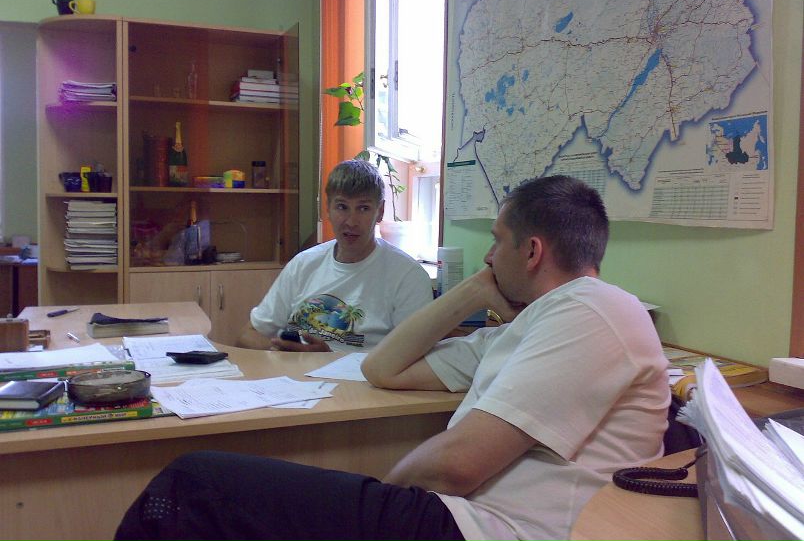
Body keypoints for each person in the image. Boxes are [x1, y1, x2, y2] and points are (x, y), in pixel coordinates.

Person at [115, 175, 670, 541]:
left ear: (531, 251)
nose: (487, 254)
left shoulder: (595, 307)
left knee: (194, 482)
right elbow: (382, 368)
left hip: (492, 529)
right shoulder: (525, 328)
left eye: (496, 241)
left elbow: (459, 463)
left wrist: (384, 494)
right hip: (462, 517)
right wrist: (475, 289)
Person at [239, 158, 433, 352]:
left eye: (363, 208)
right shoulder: (303, 264)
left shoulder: (408, 277)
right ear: (328, 209)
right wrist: (282, 353)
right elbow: (248, 336)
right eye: (342, 207)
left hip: (361, 372)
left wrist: (325, 357)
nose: (351, 222)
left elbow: (411, 359)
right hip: (292, 369)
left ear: (380, 212)